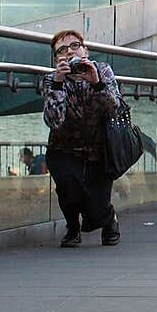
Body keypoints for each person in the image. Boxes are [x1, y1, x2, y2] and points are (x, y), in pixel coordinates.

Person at [41, 30, 122, 248]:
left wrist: (96, 82)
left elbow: (114, 109)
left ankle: (108, 218)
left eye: (74, 46)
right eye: (62, 50)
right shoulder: (51, 79)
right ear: (56, 59)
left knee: (96, 209)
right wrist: (58, 83)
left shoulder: (102, 70)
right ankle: (72, 227)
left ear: (85, 50)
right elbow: (53, 120)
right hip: (63, 147)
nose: (69, 52)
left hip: (99, 148)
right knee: (68, 188)